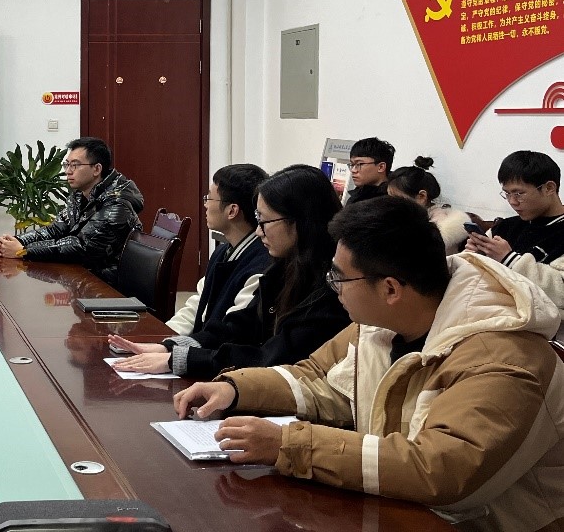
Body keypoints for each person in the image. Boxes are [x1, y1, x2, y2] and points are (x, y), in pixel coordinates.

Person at [173, 195, 564, 532]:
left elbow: (439, 468)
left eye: (339, 278)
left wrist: (288, 445)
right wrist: (235, 388)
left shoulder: (502, 353)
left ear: (390, 288)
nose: (333, 288)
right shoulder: (381, 321)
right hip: (399, 508)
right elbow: (320, 378)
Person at [111, 164, 349, 378]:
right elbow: (235, 329)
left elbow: (270, 358)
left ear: (300, 221)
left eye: (265, 221)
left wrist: (178, 360)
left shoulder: (329, 288)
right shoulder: (281, 268)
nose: (259, 231)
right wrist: (168, 348)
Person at [0, 136, 144, 284]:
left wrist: (24, 250)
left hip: (109, 287)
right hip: (83, 278)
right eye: (67, 165)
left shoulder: (117, 203)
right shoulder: (80, 196)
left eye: (75, 165)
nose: (68, 171)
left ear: (97, 169)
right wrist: (15, 242)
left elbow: (82, 246)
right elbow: (54, 230)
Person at [165, 164, 272, 335]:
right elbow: (197, 305)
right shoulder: (221, 252)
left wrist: (170, 346)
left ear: (232, 210)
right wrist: (162, 336)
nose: (205, 205)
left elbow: (228, 333)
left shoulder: (261, 266)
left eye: (209, 198)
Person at [466, 150, 564, 306]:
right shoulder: (504, 227)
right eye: (507, 194)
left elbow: (560, 291)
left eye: (519, 194)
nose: (512, 202)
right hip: (487, 305)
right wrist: (476, 255)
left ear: (549, 188)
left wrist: (509, 259)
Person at [386, 156, 472, 254]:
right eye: (389, 198)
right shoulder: (405, 218)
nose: (391, 203)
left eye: (397, 199)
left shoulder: (441, 226)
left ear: (422, 196)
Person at [345, 136, 394, 204]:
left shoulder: (391, 200)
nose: (353, 170)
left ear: (381, 167)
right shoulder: (356, 196)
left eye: (360, 164)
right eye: (352, 164)